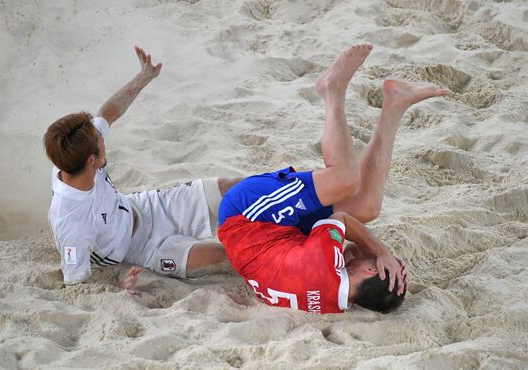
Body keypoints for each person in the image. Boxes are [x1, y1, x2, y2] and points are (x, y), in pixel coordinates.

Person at [218, 44, 451, 314]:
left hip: (247, 215)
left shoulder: (324, 262)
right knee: (367, 207)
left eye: (375, 264)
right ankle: (395, 105)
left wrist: (382, 250)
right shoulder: (337, 303)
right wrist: (378, 257)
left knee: (344, 179)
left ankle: (333, 88)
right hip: (274, 237)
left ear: (370, 269)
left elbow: (341, 224)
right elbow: (351, 251)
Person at [43, 46, 240, 289]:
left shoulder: (74, 154)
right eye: (100, 140)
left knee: (235, 188)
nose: (103, 137)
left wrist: (144, 77)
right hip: (145, 250)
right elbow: (76, 283)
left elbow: (107, 113)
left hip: (150, 206)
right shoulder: (71, 222)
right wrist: (118, 285)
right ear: (90, 160)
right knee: (229, 256)